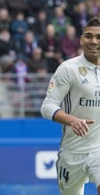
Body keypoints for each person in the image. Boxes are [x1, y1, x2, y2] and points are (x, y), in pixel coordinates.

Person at [40, 17, 100, 195]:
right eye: (89, 36)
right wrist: (72, 120)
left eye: (99, 37)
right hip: (72, 152)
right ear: (81, 40)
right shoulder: (68, 69)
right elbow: (47, 107)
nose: (94, 41)